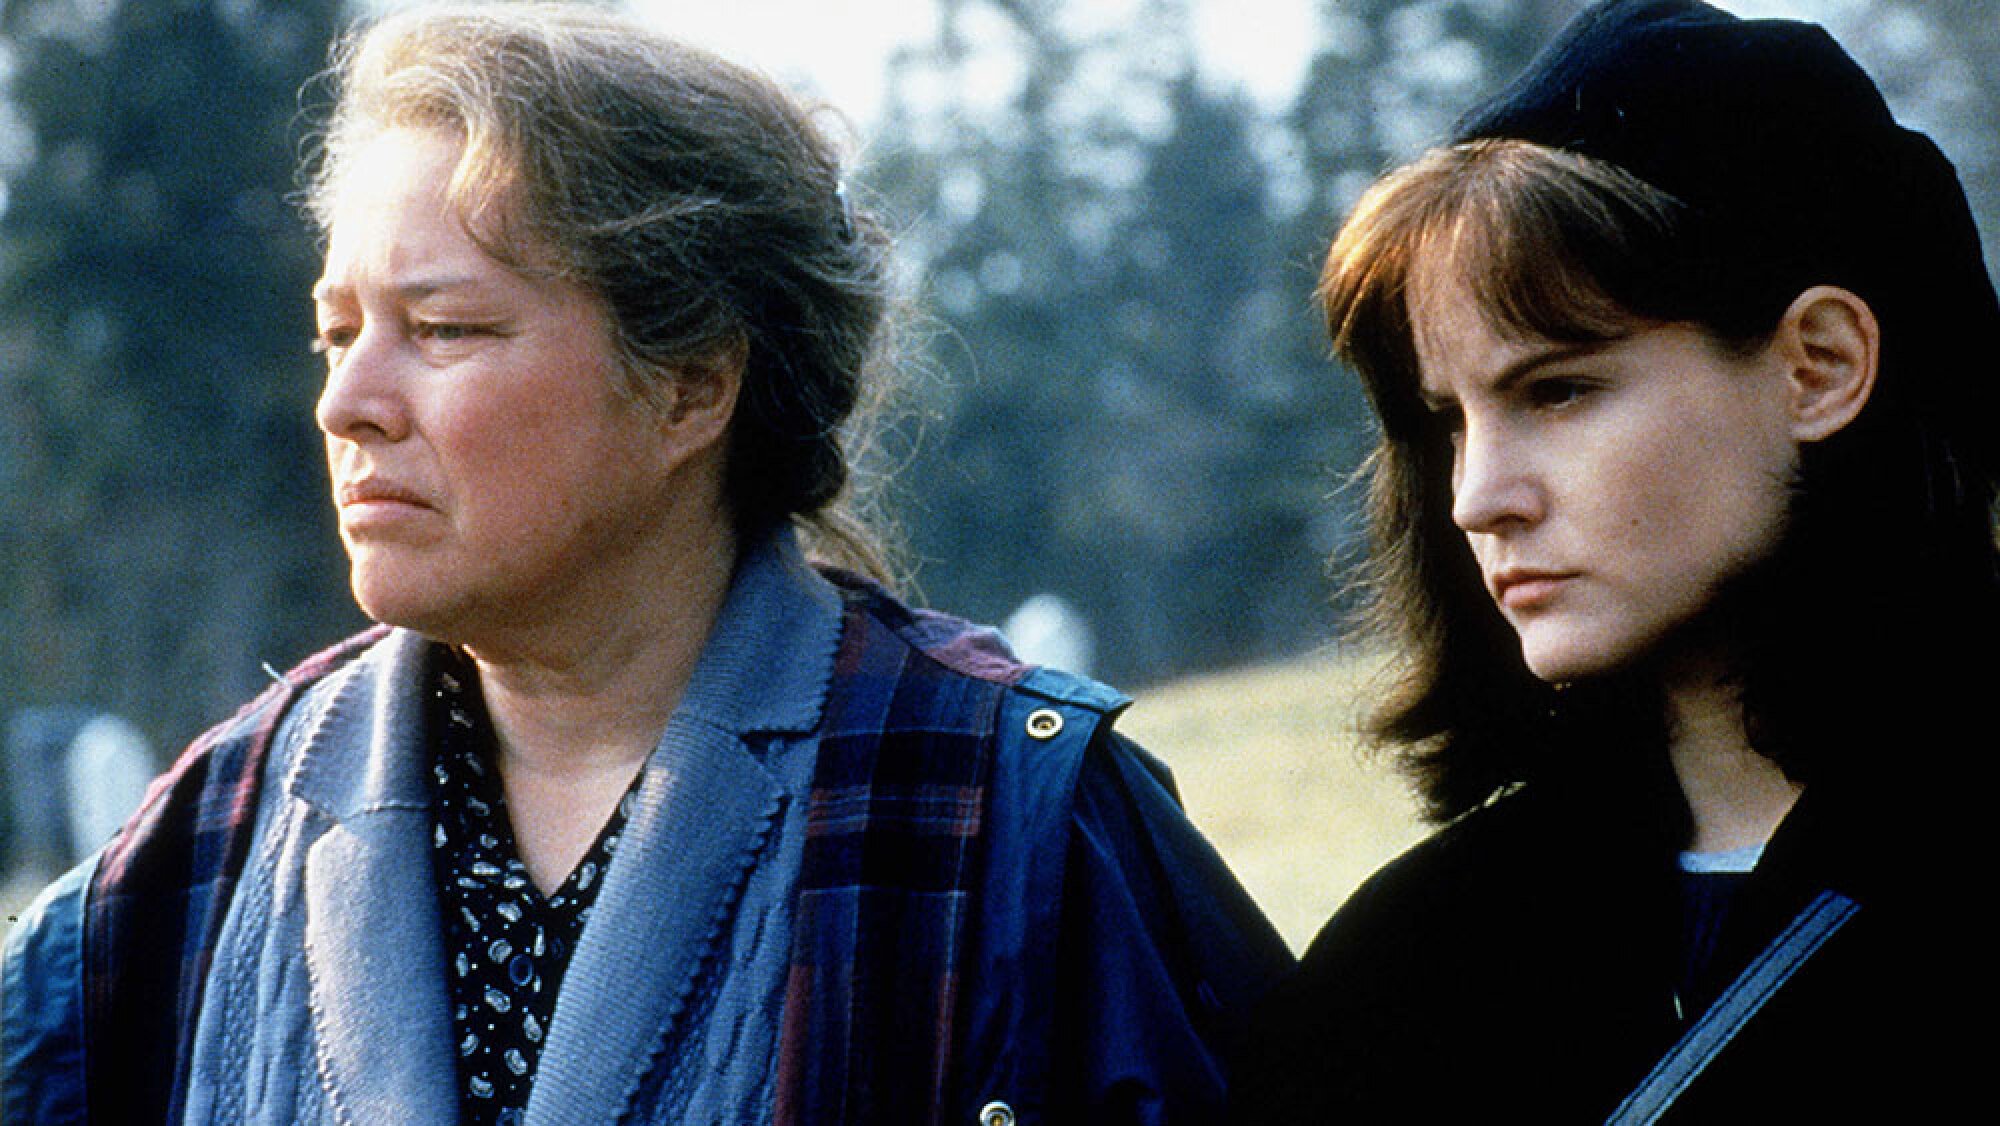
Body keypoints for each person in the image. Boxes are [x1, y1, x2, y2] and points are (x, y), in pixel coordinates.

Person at [0, 5, 1290, 1123]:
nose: (349, 403)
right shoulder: (208, 837)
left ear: (691, 386)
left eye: (443, 328)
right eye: (337, 333)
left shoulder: (1018, 823)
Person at [1231, 1, 2000, 1121]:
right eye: (1447, 421)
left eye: (1557, 390)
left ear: (1819, 368)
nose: (1477, 499)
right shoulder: (1404, 982)